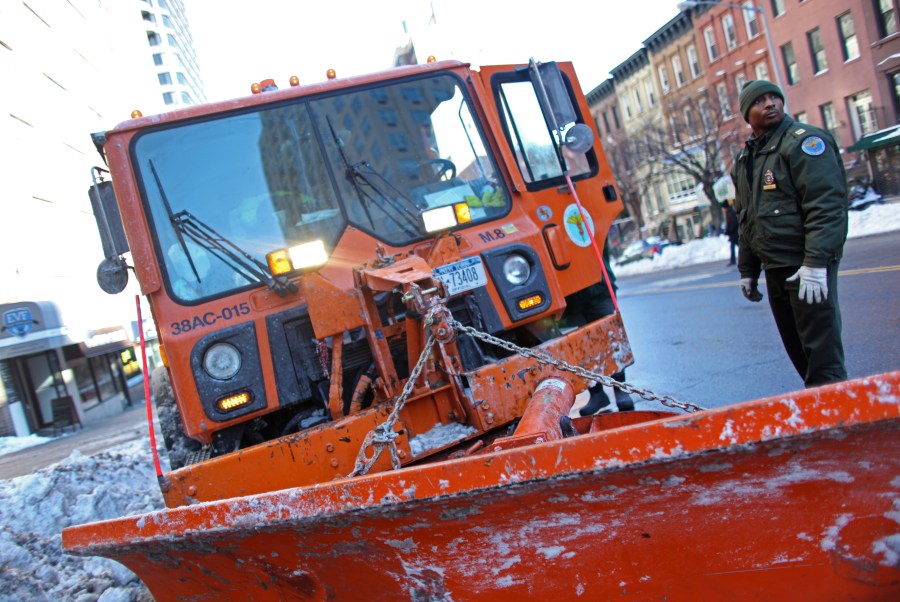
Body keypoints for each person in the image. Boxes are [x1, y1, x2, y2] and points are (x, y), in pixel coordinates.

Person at [731, 80, 848, 387]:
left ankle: (840, 420)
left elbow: (825, 206)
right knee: (800, 354)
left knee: (822, 357)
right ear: (747, 113)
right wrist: (748, 270)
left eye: (774, 97)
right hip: (775, 267)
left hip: (806, 264)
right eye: (760, 101)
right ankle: (822, 412)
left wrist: (815, 263)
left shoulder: (804, 142)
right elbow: (746, 218)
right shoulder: (746, 160)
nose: (770, 104)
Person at [562, 241, 635, 415]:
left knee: (609, 338)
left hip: (598, 288)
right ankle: (596, 393)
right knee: (581, 347)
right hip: (571, 294)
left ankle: (620, 389)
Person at [722, 199, 739, 266]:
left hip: (734, 234)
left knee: (736, 246)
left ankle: (733, 261)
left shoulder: (730, 213)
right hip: (733, 233)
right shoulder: (730, 212)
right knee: (734, 247)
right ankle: (733, 260)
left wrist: (728, 231)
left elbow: (732, 224)